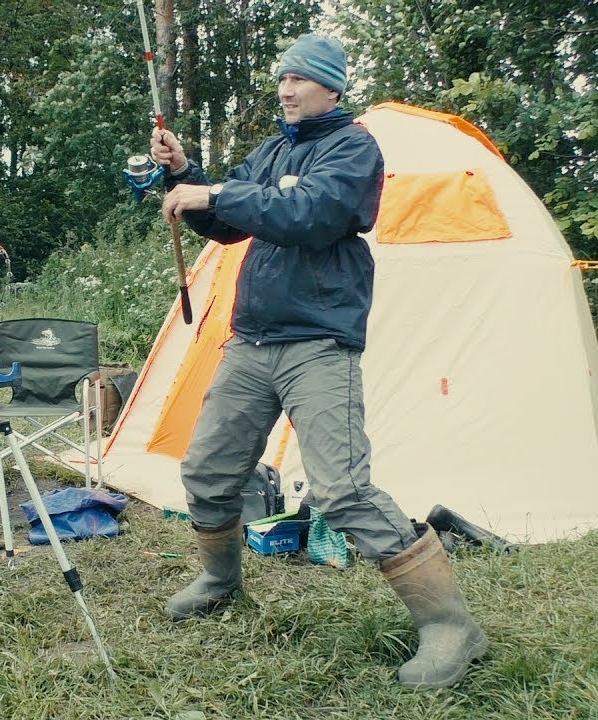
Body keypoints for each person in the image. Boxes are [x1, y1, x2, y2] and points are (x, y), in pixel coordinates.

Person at [149, 33, 488, 689]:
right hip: (251, 340)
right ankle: (221, 582)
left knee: (342, 488)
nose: (286, 89)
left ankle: (452, 628)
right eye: (282, 79)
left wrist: (215, 194)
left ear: (331, 87)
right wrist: (189, 175)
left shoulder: (353, 148)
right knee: (209, 470)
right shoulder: (274, 149)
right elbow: (225, 220)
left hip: (319, 344)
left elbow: (310, 213)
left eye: (300, 79)